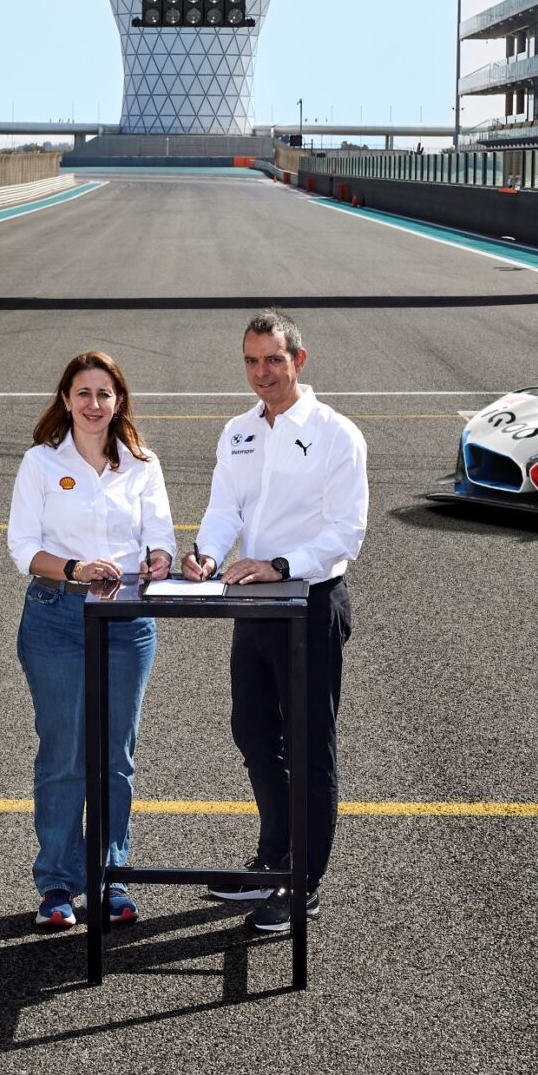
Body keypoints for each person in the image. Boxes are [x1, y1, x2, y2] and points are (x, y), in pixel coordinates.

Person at [183, 310, 369, 936]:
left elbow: (348, 531)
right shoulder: (237, 431)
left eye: (274, 360)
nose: (262, 373)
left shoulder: (337, 434)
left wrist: (282, 564)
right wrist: (208, 552)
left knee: (311, 749)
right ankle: (272, 861)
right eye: (251, 361)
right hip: (255, 604)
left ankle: (304, 882)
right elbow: (224, 507)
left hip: (311, 604)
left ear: (300, 360)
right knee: (256, 736)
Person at [5, 351, 175, 933]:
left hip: (127, 619)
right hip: (56, 617)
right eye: (84, 393)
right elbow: (23, 548)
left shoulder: (143, 464)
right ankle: (57, 885)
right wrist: (75, 569)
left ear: (119, 400)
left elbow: (161, 535)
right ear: (66, 399)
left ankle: (111, 878)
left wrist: (159, 557)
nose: (94, 404)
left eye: (105, 393)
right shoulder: (40, 463)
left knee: (116, 756)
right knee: (63, 756)